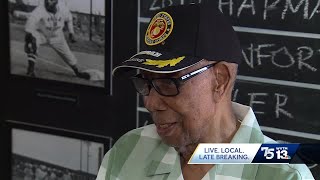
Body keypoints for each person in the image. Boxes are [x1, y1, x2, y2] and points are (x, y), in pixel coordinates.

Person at [96, 3, 315, 180]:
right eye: (145, 82)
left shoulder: (284, 175)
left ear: (219, 80)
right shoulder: (130, 149)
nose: (151, 103)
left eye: (168, 82)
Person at [24, 0, 90, 79]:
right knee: (32, 40)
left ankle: (77, 72)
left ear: (56, 2)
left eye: (51, 0)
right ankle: (30, 70)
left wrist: (71, 33)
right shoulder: (40, 9)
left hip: (57, 36)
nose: (48, 2)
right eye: (46, 0)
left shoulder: (63, 9)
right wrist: (29, 36)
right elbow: (30, 23)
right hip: (42, 34)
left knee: (68, 56)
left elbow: (69, 19)